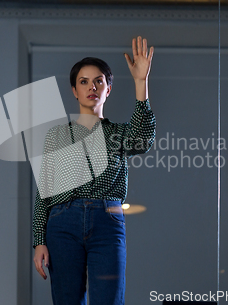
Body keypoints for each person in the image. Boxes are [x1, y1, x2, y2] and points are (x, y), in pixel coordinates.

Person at [32, 36, 156, 305]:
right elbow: (44, 192)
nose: (92, 87)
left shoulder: (118, 134)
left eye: (99, 81)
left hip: (107, 222)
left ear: (108, 89)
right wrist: (39, 240)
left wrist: (140, 82)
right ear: (74, 91)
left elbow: (144, 137)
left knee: (110, 301)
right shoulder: (56, 136)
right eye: (84, 82)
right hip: (63, 222)